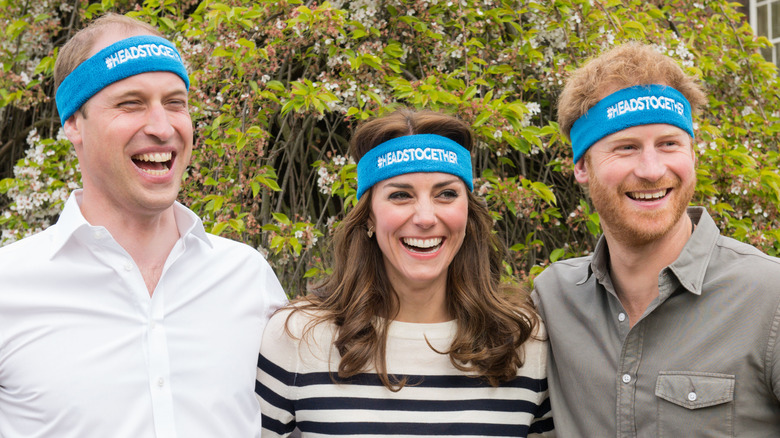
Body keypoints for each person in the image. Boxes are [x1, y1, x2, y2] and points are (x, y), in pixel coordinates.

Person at [0, 13, 287, 437]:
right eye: (130, 103)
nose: (161, 126)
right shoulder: (10, 287)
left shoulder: (248, 278)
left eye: (175, 103)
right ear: (74, 125)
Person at [256, 108, 554, 437]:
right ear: (368, 216)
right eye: (400, 195)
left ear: (467, 213)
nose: (425, 217)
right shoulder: (299, 337)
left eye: (446, 194)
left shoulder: (523, 340)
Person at [532, 42, 780, 436]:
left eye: (669, 144)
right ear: (582, 167)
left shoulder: (770, 298)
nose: (651, 170)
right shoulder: (552, 299)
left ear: (693, 155)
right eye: (626, 147)